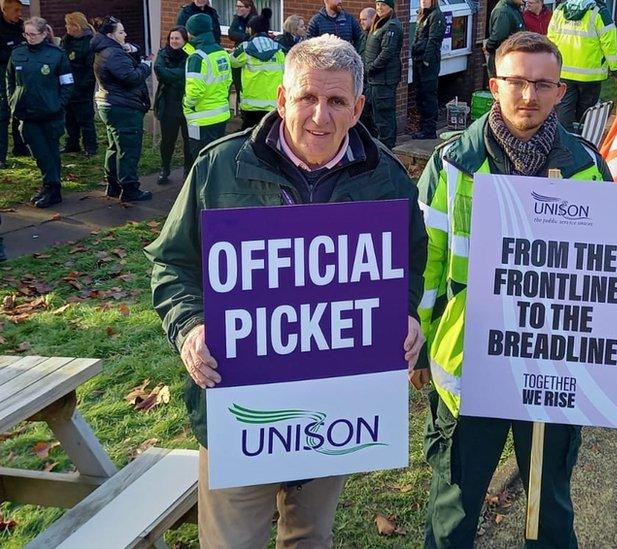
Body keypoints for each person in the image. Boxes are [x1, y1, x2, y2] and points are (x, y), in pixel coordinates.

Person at [145, 34, 427, 549]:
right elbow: (172, 262)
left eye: (337, 101)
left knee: (310, 536)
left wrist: (405, 314)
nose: (320, 116)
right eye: (306, 98)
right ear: (281, 99)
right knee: (233, 542)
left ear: (359, 107)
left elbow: (409, 261)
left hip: (336, 403)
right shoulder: (219, 167)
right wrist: (189, 328)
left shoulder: (387, 177)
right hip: (240, 399)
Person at [419, 31, 613, 548]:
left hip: (552, 362)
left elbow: (603, 273)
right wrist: (418, 348)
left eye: (542, 84)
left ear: (560, 90)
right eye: (517, 82)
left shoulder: (587, 166)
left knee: (548, 507)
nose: (528, 96)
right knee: (455, 507)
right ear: (495, 84)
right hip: (468, 363)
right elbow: (427, 260)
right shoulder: (452, 163)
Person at [7, 17, 73, 208]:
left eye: (33, 34)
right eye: (26, 34)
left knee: (51, 151)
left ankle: (53, 189)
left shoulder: (57, 55)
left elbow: (67, 84)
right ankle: (49, 185)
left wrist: (58, 104)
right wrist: (13, 101)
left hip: (50, 113)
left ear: (44, 34)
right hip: (26, 113)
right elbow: (9, 80)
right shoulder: (17, 53)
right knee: (39, 152)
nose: (29, 37)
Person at [92, 16, 154, 202]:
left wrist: (132, 49)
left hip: (109, 104)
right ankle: (129, 189)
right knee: (128, 148)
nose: (125, 34)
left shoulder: (105, 49)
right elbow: (131, 77)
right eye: (121, 32)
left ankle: (113, 184)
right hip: (124, 107)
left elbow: (129, 55)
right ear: (111, 35)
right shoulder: (113, 54)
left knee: (114, 146)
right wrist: (145, 66)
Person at [548, 0, 617, 130]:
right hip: (591, 75)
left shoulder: (560, 10)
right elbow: (609, 45)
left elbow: (551, 39)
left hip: (564, 72)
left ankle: (565, 142)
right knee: (586, 114)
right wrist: (616, 70)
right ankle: (583, 142)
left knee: (564, 110)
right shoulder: (599, 12)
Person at [183, 13, 232, 163]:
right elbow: (228, 81)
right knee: (216, 159)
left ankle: (201, 187)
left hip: (201, 119)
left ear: (192, 32)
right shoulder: (221, 52)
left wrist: (186, 104)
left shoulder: (197, 57)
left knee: (201, 160)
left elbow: (195, 91)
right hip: (221, 114)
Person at [231, 8, 285, 129]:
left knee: (249, 138)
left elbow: (233, 62)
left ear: (251, 29)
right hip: (273, 105)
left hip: (250, 105)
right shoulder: (280, 50)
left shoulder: (245, 48)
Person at [361, 0, 403, 149]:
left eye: (383, 5)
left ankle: (387, 150)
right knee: (365, 112)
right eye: (377, 4)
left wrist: (371, 67)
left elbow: (387, 53)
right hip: (373, 81)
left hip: (383, 81)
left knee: (384, 117)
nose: (379, 7)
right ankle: (373, 144)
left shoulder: (392, 26)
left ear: (390, 7)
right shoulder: (379, 24)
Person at [154, 26, 191, 184]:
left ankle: (188, 171)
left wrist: (172, 75)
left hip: (187, 103)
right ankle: (165, 168)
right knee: (167, 140)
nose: (174, 41)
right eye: (171, 38)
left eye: (177, 38)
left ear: (185, 40)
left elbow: (189, 74)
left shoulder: (191, 54)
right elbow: (160, 71)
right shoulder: (163, 53)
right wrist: (180, 75)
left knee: (189, 141)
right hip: (168, 104)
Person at [61, 12, 97, 156]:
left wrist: (83, 86)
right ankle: (72, 144)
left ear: (76, 26)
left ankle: (90, 147)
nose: (66, 27)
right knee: (69, 118)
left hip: (82, 88)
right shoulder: (66, 40)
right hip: (67, 86)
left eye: (68, 25)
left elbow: (90, 68)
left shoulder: (89, 42)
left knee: (85, 119)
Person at [411, 0, 446, 139]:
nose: (424, 1)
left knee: (428, 95)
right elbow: (417, 36)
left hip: (428, 62)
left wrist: (426, 59)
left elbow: (433, 40)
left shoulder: (436, 16)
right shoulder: (422, 14)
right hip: (418, 59)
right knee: (420, 94)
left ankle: (429, 129)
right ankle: (423, 127)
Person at [0, 0, 28, 167]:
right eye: (16, 10)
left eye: (21, 9)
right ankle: (1, 157)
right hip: (2, 75)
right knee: (2, 114)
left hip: (20, 74)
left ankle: (21, 146)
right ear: (4, 9)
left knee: (20, 109)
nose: (20, 13)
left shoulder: (21, 27)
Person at [484, 0, 524, 77]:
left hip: (512, 59)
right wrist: (488, 48)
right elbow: (497, 38)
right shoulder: (503, 12)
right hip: (503, 61)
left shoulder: (513, 9)